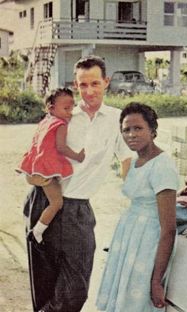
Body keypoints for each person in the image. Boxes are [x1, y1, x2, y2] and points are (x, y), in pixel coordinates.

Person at [23, 55, 132, 312]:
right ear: (76, 84)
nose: (89, 91)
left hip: (78, 210)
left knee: (75, 290)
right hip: (44, 201)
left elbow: (128, 161)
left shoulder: (118, 120)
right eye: (83, 85)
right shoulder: (64, 115)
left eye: (95, 83)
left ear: (106, 82)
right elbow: (36, 153)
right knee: (44, 285)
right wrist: (33, 176)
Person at [96, 102, 179, 312]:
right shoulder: (134, 161)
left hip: (147, 243)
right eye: (126, 129)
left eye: (138, 128)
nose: (131, 134)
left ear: (152, 130)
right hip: (129, 237)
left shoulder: (162, 166)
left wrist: (156, 280)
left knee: (135, 302)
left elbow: (168, 229)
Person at [17, 88, 85, 243]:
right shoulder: (60, 124)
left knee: (51, 194)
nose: (70, 112)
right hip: (44, 173)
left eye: (72, 108)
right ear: (51, 108)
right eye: (66, 108)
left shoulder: (45, 121)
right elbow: (62, 147)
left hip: (32, 171)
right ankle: (38, 232)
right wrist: (77, 156)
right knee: (57, 203)